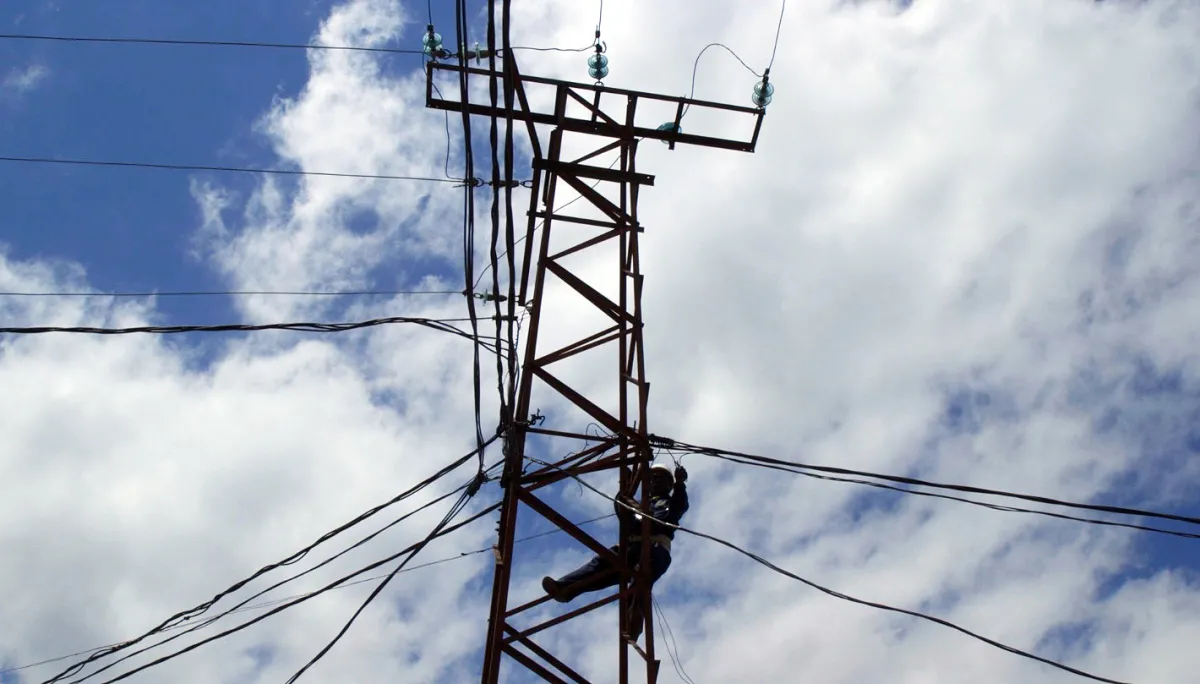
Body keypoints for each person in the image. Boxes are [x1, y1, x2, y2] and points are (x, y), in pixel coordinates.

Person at [541, 462, 689, 641]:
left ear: (669, 484)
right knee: (602, 564)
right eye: (652, 477)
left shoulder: (670, 502)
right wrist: (625, 490)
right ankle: (564, 588)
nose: (655, 479)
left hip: (655, 548)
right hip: (632, 547)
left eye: (661, 477)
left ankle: (632, 625)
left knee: (640, 580)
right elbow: (624, 514)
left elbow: (676, 509)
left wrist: (680, 483)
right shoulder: (642, 503)